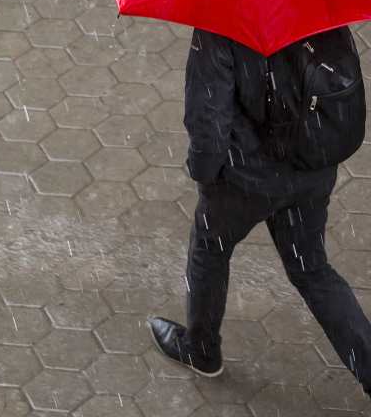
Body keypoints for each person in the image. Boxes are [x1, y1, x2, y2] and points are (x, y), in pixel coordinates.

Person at [149, 27, 371, 395]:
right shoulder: (320, 4)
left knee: (210, 248)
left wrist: (204, 176)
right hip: (312, 167)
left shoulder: (218, 25)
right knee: (312, 269)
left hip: (247, 180)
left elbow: (208, 122)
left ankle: (202, 350)